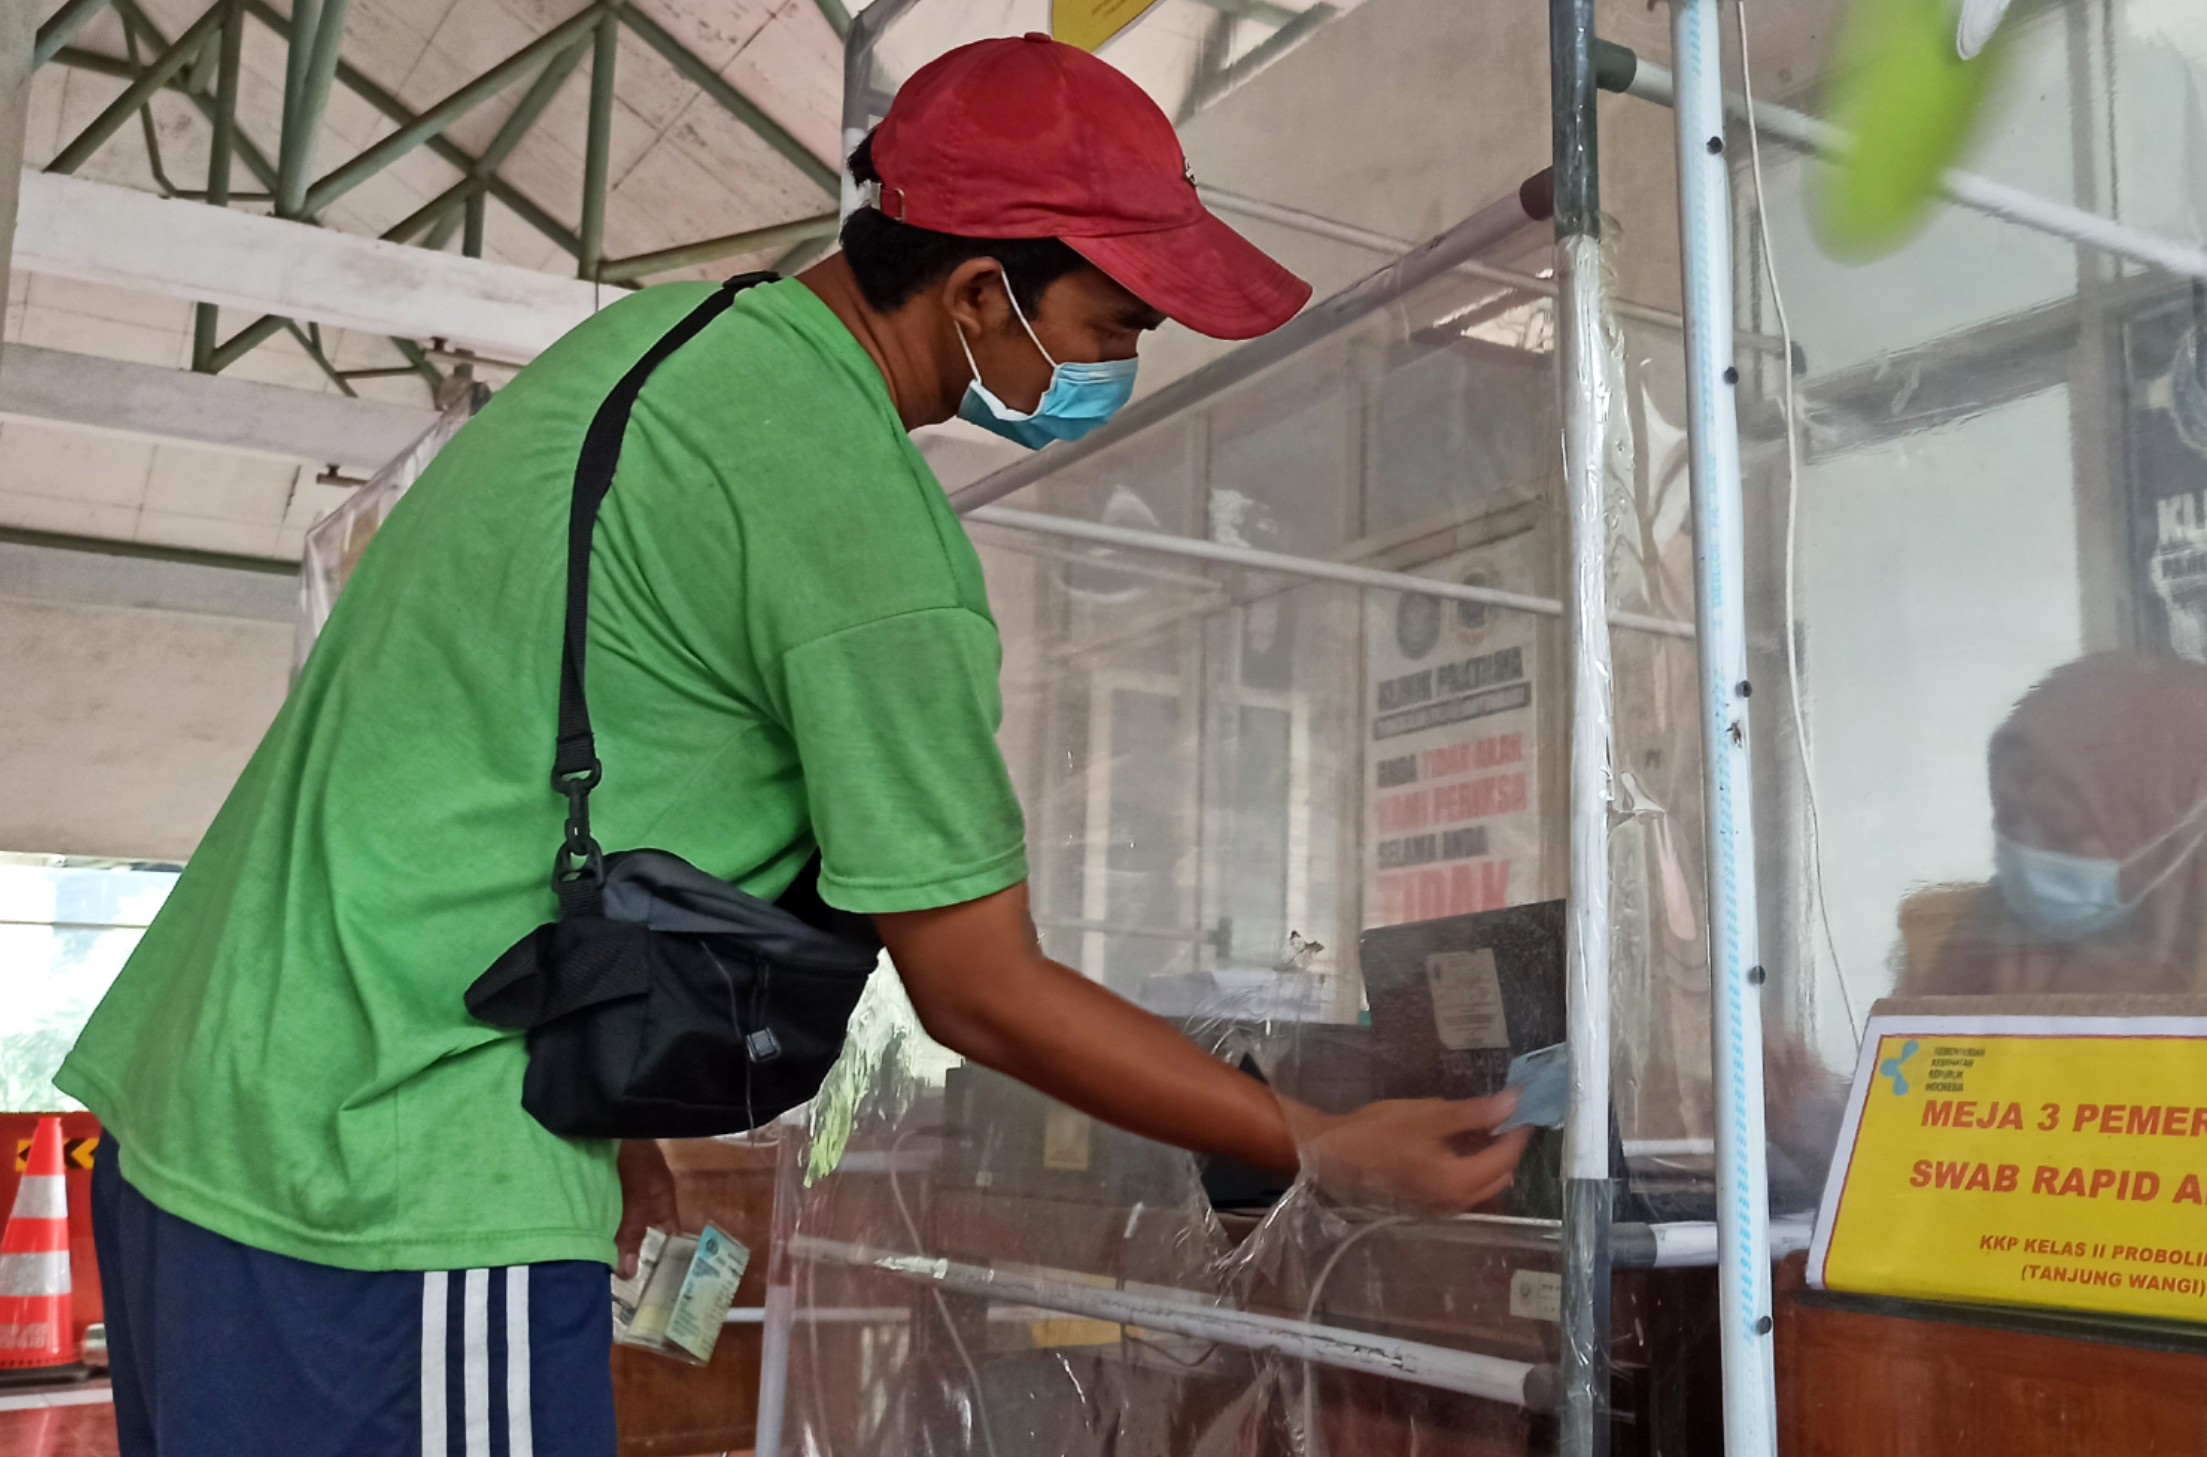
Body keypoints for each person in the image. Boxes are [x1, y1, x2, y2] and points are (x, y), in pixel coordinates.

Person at [57, 36, 1526, 1457]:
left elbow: (493, 758)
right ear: (976, 290)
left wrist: (618, 1116)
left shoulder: (659, 341)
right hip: (383, 1161)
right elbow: (981, 992)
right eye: (1117, 322)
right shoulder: (859, 531)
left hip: (207, 1112)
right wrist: (1312, 1142)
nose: (1121, 359)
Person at [1899, 652, 2207, 997]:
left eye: (2067, 834)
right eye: (2011, 821)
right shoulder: (1945, 944)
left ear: (2172, 841)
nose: (2028, 853)